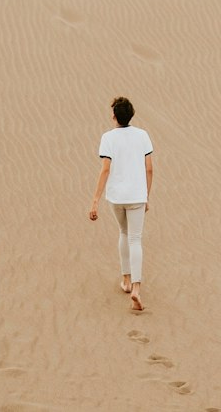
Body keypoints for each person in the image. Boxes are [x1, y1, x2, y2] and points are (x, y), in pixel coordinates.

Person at [89, 95, 154, 311]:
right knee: (135, 238)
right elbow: (149, 168)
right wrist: (146, 196)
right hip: (137, 195)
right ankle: (136, 287)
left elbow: (105, 169)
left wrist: (95, 201)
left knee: (123, 233)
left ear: (114, 116)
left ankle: (125, 280)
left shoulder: (108, 137)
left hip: (117, 196)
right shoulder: (142, 135)